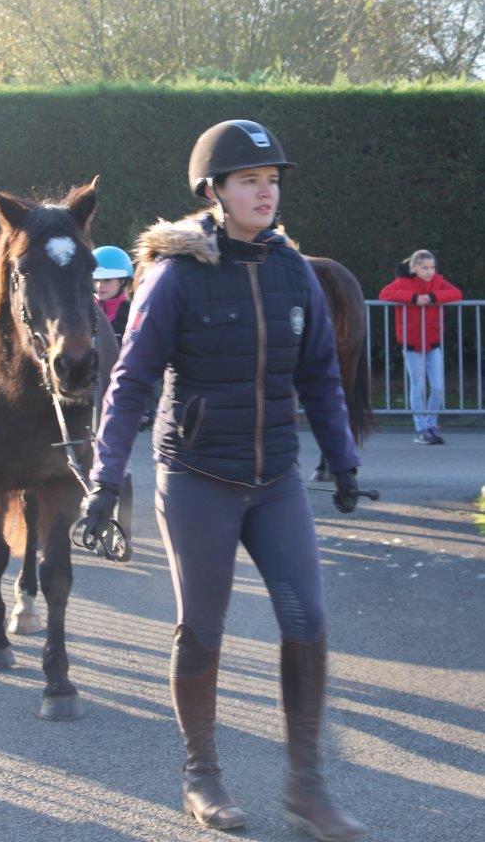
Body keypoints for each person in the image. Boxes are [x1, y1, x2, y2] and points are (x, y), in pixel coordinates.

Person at [82, 119, 366, 840]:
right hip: (198, 475)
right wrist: (105, 477)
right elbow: (131, 380)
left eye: (272, 181)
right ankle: (201, 776)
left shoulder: (292, 270)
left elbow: (321, 377)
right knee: (202, 629)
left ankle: (306, 786)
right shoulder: (176, 275)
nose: (265, 193)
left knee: (308, 619)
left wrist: (343, 458)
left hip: (275, 478)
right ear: (214, 191)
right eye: (250, 181)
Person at [379, 250, 462, 444]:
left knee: (438, 386)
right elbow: (385, 294)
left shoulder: (439, 281)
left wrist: (433, 297)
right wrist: (413, 298)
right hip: (411, 341)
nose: (429, 271)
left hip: (433, 340)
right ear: (414, 268)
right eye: (424, 267)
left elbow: (456, 293)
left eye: (432, 267)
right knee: (418, 385)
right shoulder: (402, 282)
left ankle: (431, 424)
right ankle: (421, 428)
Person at [93, 245, 133, 343]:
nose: (99, 285)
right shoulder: (83, 311)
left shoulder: (132, 314)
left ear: (122, 282)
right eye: (96, 279)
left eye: (107, 280)